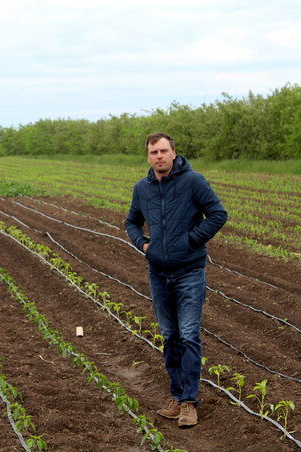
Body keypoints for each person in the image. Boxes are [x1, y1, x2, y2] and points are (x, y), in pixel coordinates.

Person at [125, 132, 227, 428]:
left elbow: (218, 215)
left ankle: (189, 402)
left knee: (189, 335)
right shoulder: (142, 188)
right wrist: (143, 245)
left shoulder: (193, 181)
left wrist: (190, 242)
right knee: (170, 336)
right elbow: (131, 221)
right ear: (148, 157)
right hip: (158, 274)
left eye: (164, 151)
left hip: (189, 272)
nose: (159, 156)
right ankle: (176, 394)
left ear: (173, 153)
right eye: (154, 152)